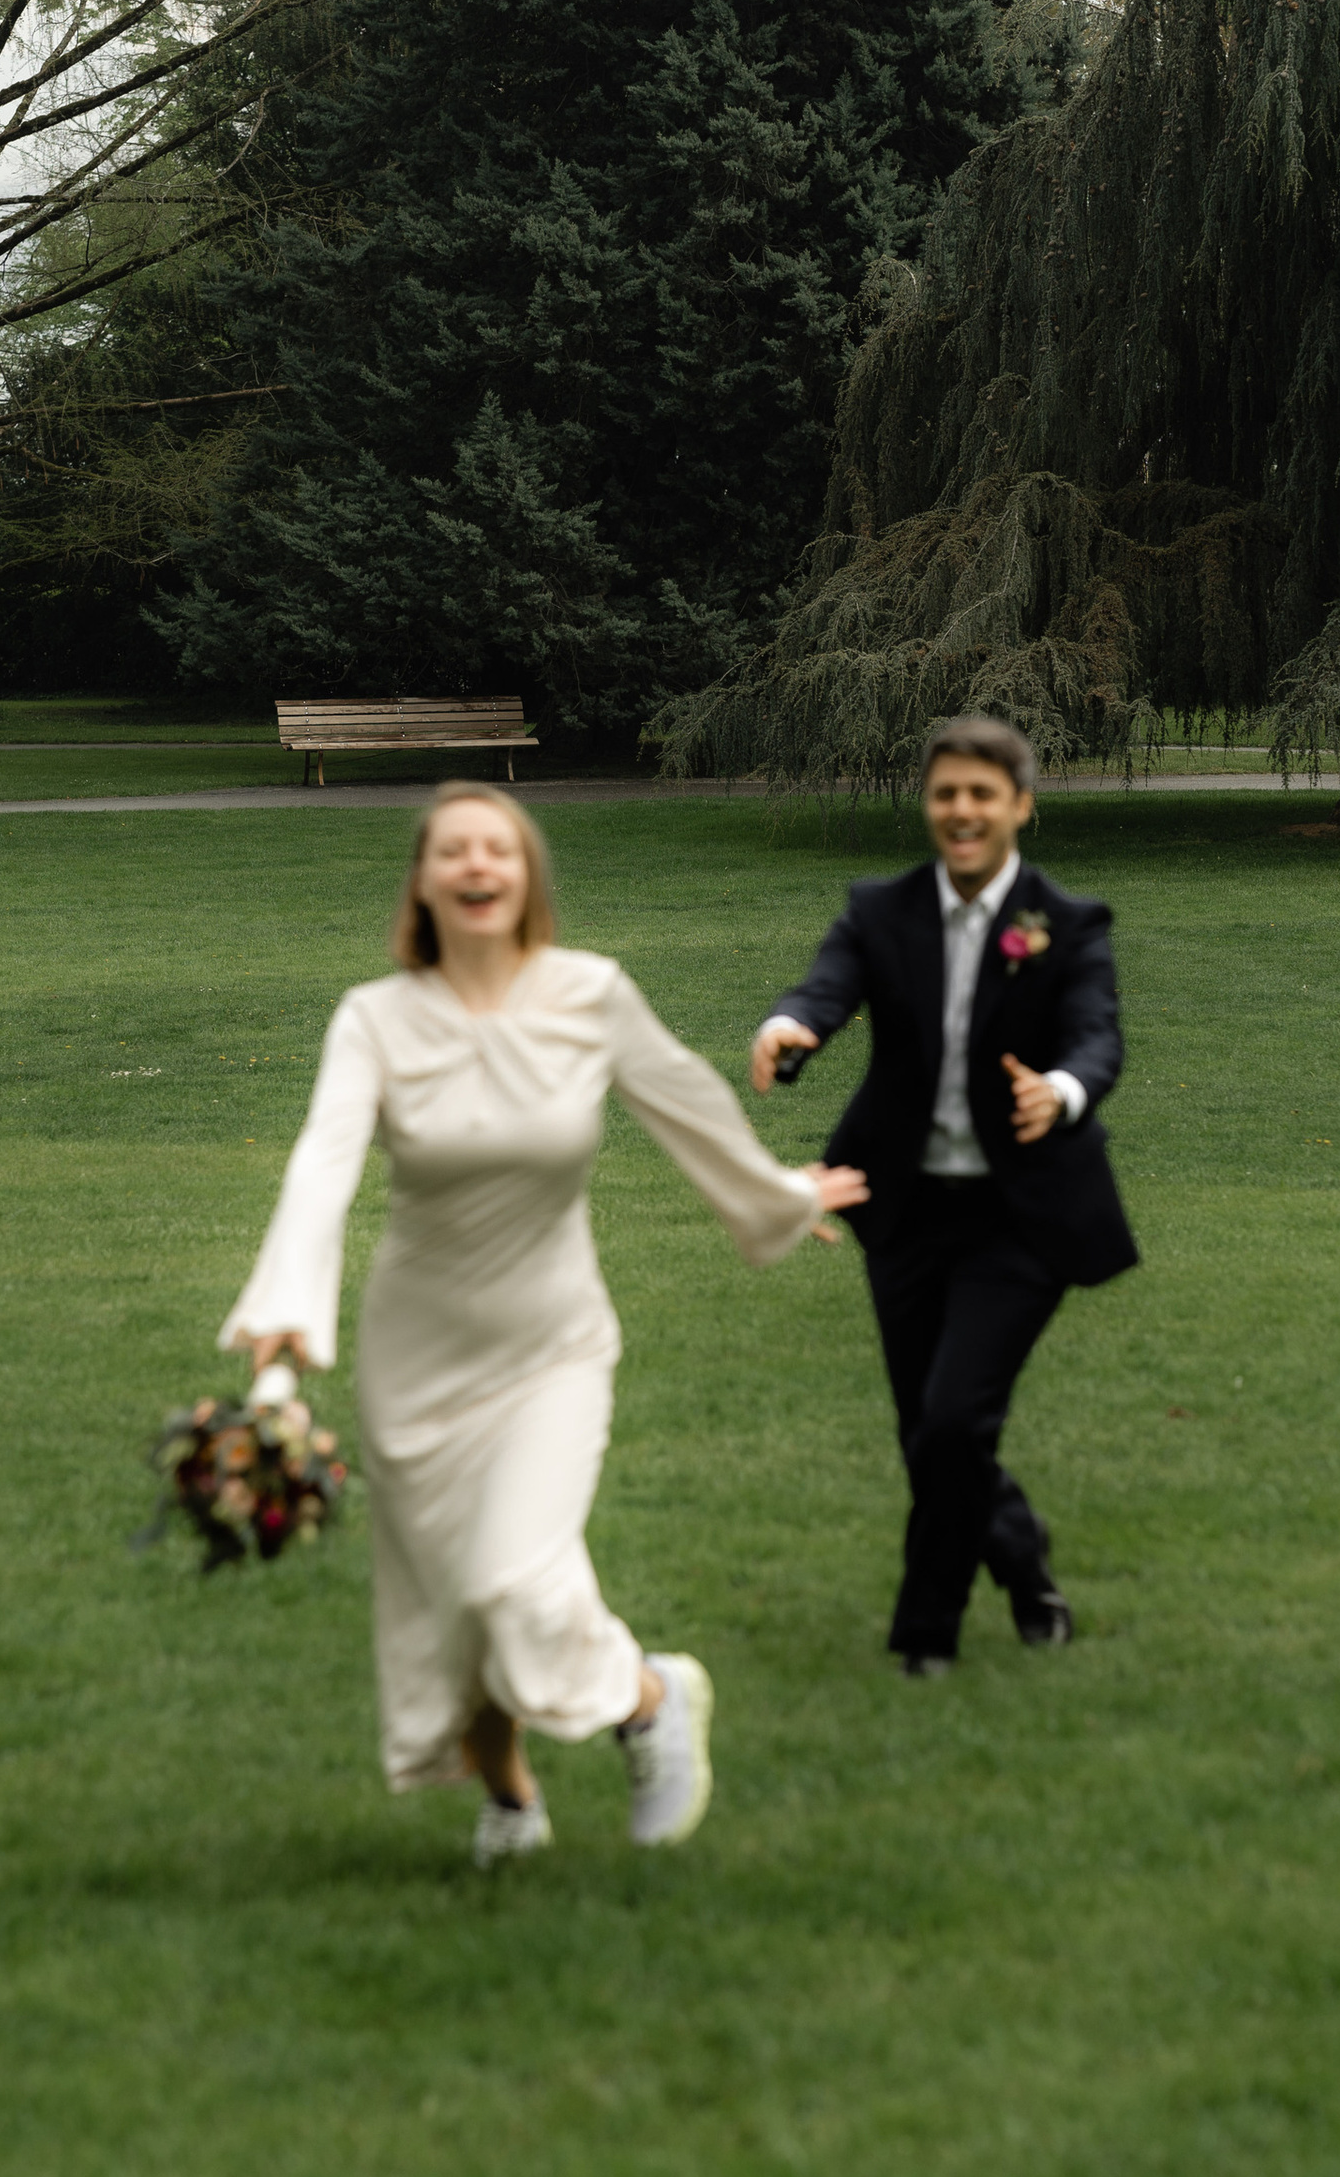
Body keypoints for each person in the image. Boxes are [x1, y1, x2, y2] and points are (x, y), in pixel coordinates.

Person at [223, 783, 866, 1863]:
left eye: (499, 850)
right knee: (449, 1605)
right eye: (454, 851)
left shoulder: (590, 994)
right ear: (423, 880)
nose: (477, 866)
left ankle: (649, 1698)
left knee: (511, 1575)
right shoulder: (372, 1019)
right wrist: (287, 1303)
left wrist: (774, 1195)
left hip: (551, 1346)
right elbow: (323, 1159)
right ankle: (510, 1799)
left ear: (526, 877)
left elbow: (682, 1099)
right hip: (414, 1356)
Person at [749, 716, 1136, 1672]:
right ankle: (1020, 1554)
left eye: (982, 794)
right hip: (908, 1213)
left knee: (957, 1420)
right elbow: (827, 987)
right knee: (928, 1431)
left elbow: (1098, 1036)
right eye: (945, 794)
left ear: (1020, 805)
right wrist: (791, 1024)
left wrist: (1064, 1090)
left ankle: (925, 1641)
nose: (961, 812)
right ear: (928, 805)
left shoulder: (1065, 921)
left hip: (1022, 1217)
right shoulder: (881, 910)